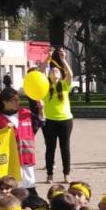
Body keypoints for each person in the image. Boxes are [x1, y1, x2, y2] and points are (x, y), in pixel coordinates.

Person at [0, 87, 38, 189]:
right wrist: (4, 132)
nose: (18, 102)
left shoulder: (26, 113)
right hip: (11, 158)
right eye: (14, 100)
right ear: (5, 102)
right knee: (14, 185)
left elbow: (38, 125)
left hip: (27, 156)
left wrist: (41, 110)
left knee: (30, 185)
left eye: (18, 99)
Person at [42, 50, 74, 184]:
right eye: (52, 71)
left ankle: (66, 173)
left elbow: (70, 74)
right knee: (50, 148)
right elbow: (41, 71)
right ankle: (49, 174)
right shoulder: (44, 86)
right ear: (48, 75)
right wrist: (48, 58)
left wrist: (63, 59)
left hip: (65, 120)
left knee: (64, 148)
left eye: (57, 71)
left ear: (61, 75)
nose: (54, 72)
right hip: (49, 121)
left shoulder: (64, 85)